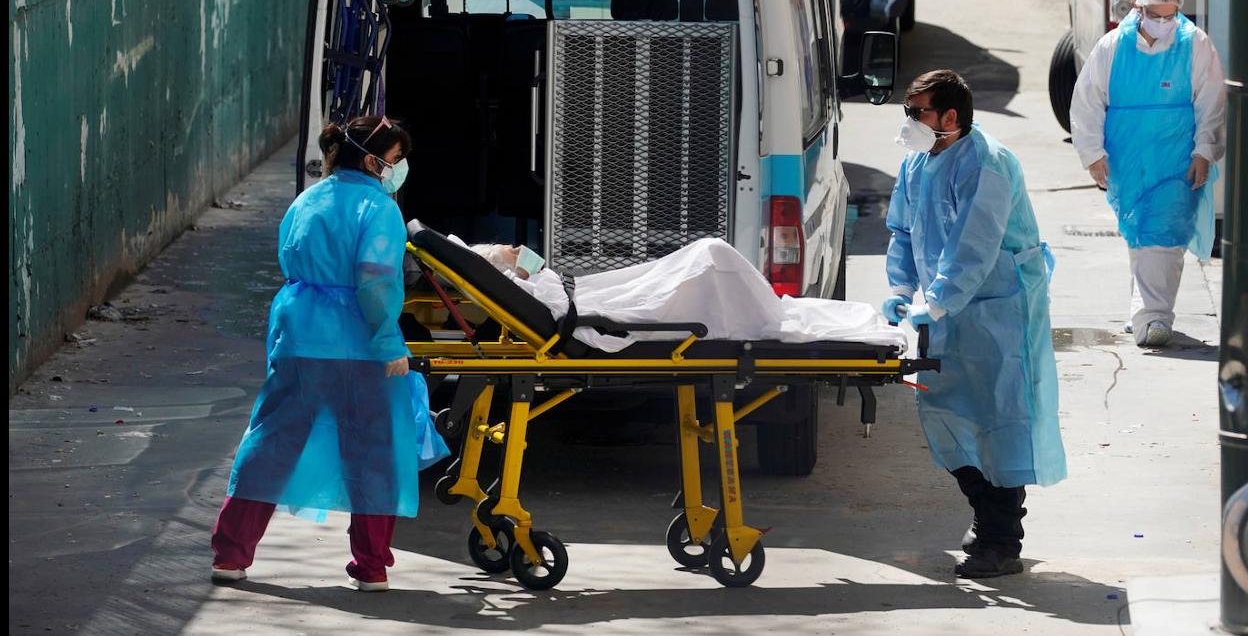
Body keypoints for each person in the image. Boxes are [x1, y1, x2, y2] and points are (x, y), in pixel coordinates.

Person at [210, 116, 450, 591]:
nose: (396, 170)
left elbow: (291, 266)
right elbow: (376, 280)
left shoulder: (306, 200)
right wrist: (389, 344)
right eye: (395, 160)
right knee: (374, 452)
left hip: (300, 338)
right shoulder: (379, 208)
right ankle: (371, 565)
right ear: (372, 159)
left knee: (270, 444)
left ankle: (230, 556)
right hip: (359, 346)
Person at [883, 70, 1066, 578]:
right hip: (946, 310)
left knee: (999, 419)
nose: (910, 121)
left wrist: (936, 300)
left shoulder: (988, 164)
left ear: (950, 117)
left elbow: (974, 246)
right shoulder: (918, 162)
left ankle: (1001, 539)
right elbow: (902, 229)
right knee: (945, 413)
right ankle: (988, 517)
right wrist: (901, 290)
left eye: (917, 112)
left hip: (997, 309)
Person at [1069, 0, 1226, 347]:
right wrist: (1092, 153)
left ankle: (1154, 317)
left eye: (1169, 15)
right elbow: (1088, 101)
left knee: (1165, 233)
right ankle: (1143, 309)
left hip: (1176, 157)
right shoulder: (1112, 47)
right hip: (1128, 158)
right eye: (1154, 14)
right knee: (1139, 231)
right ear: (1138, 8)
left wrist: (1204, 150)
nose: (1161, 22)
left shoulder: (1195, 45)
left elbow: (1211, 102)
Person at [420, 230, 906, 352]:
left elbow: (546, 275)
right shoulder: (530, 290)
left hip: (594, 300)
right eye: (505, 248)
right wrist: (517, 261)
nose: (514, 247)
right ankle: (762, 311)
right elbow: (552, 293)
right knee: (709, 259)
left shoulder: (526, 285)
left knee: (704, 258)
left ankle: (762, 307)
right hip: (599, 314)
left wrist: (522, 261)